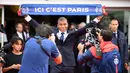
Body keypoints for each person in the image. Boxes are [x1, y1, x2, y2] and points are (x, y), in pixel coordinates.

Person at [24, 15, 103, 73]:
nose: (63, 26)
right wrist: (27, 16)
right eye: (61, 24)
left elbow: (84, 29)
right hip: (54, 63)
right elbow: (38, 26)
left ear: (67, 24)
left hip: (69, 64)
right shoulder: (52, 32)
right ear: (57, 25)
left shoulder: (73, 33)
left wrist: (97, 19)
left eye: (64, 24)